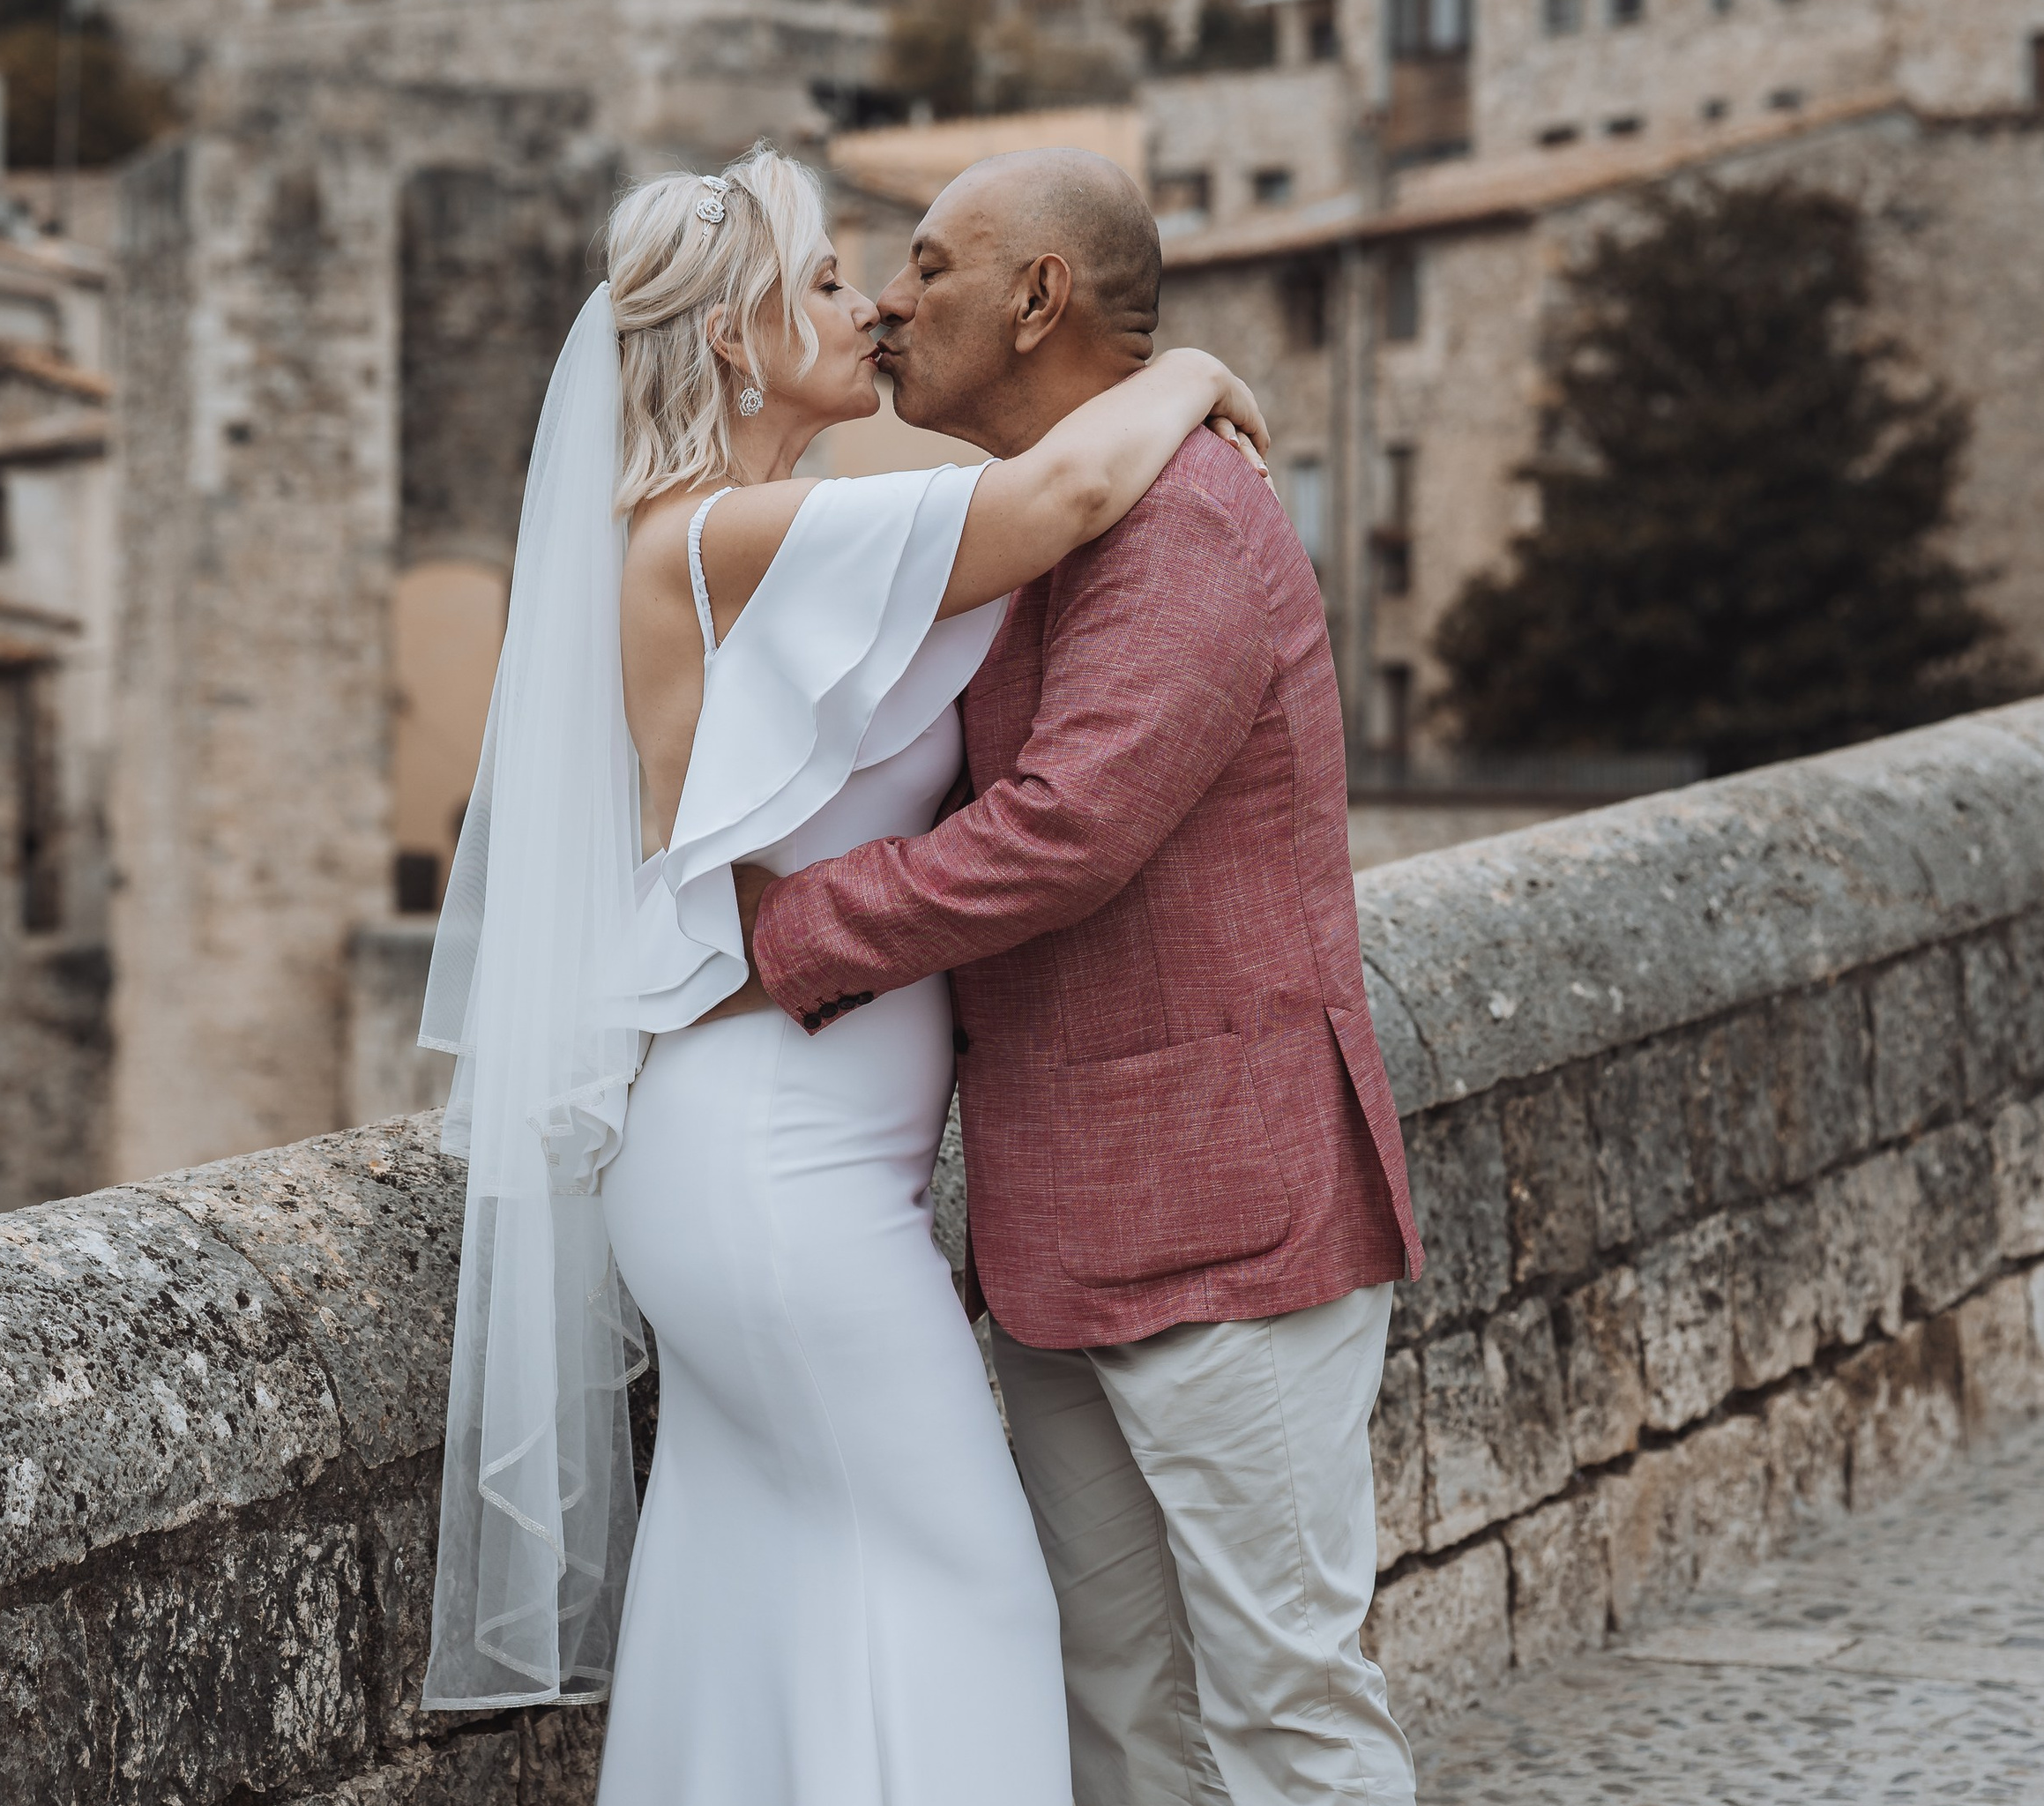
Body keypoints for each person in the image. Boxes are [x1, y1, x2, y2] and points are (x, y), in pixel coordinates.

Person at [415, 140, 1273, 1806]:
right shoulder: (722, 537)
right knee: (970, 1587)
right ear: (733, 341)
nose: (869, 309)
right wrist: (1191, 368)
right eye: (824, 282)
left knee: (756, 1609)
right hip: (773, 1170)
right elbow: (1069, 501)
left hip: (781, 1157)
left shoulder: (741, 534)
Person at [737, 146, 1428, 1805]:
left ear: (1040, 296)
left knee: (1284, 1704)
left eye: (928, 267)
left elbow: (1068, 829)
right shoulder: (1051, 511)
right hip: (1069, 1226)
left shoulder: (1186, 516)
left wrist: (785, 937)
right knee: (1118, 1707)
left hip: (1225, 1221)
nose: (891, 304)